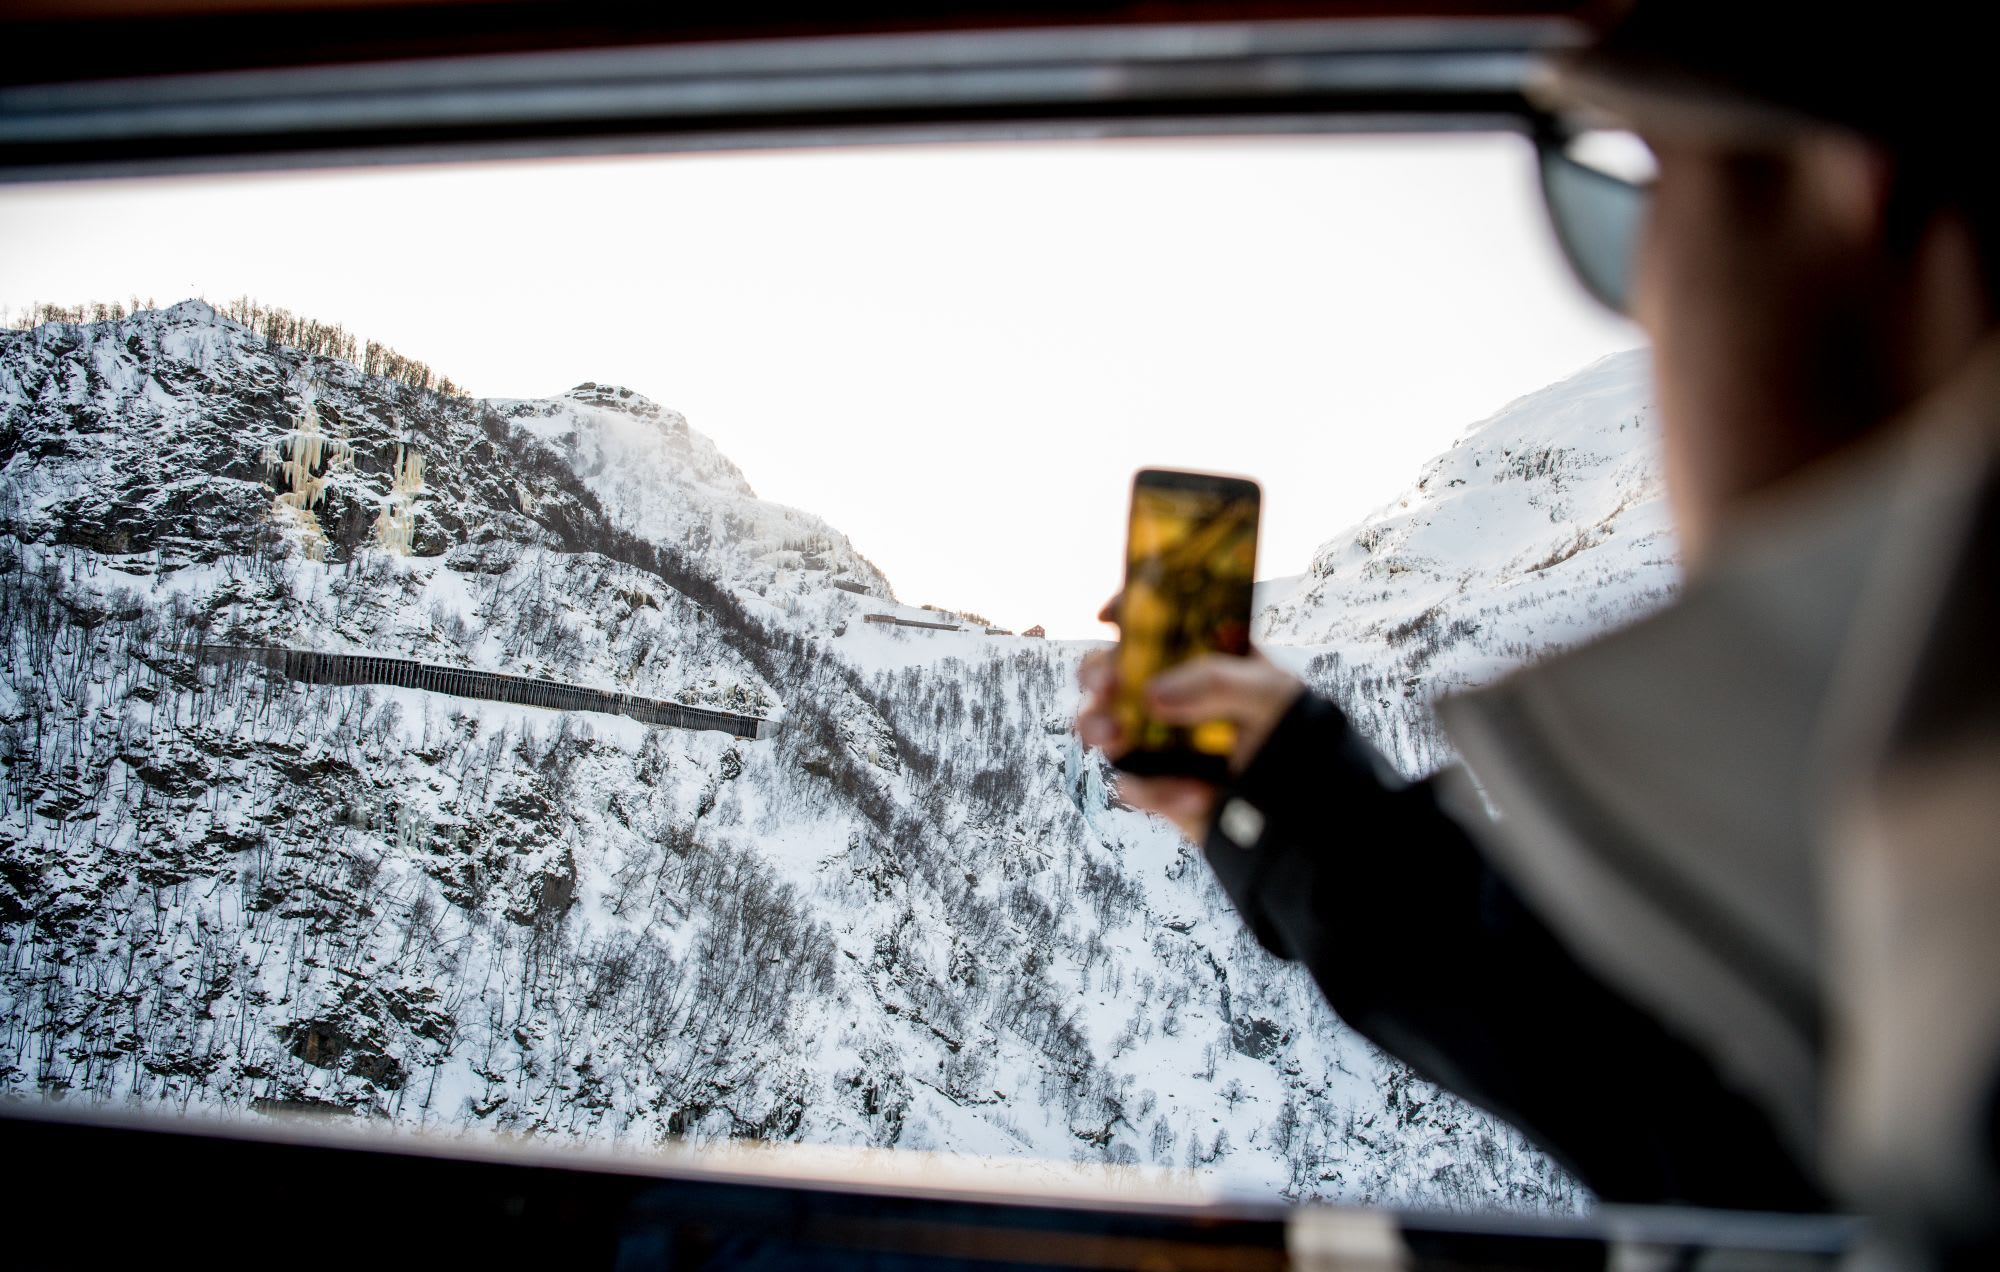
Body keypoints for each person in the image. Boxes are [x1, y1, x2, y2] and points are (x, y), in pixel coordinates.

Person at [1077, 1, 1999, 1254]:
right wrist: (1287, 795)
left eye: (1638, 190)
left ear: (1850, 187)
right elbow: (1680, 1102)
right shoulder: (1925, 912)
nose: (1642, 310)